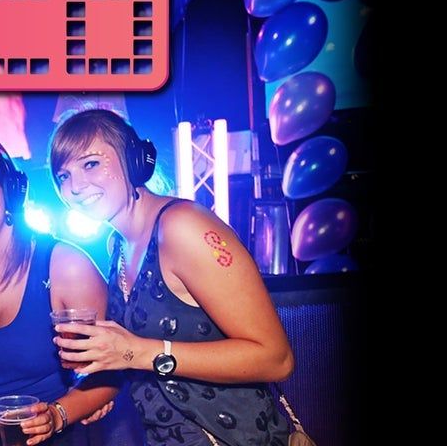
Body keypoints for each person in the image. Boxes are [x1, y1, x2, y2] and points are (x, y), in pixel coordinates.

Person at [49, 109, 294, 446]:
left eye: (90, 164)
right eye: (63, 175)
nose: (75, 186)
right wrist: (89, 395)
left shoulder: (183, 226)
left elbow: (276, 359)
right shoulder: (117, 245)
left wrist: (137, 352)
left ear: (134, 160)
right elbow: (134, 357)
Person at [0, 135, 126, 445]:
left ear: (10, 190)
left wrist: (57, 414)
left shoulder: (64, 265)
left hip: (48, 433)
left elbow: (109, 371)